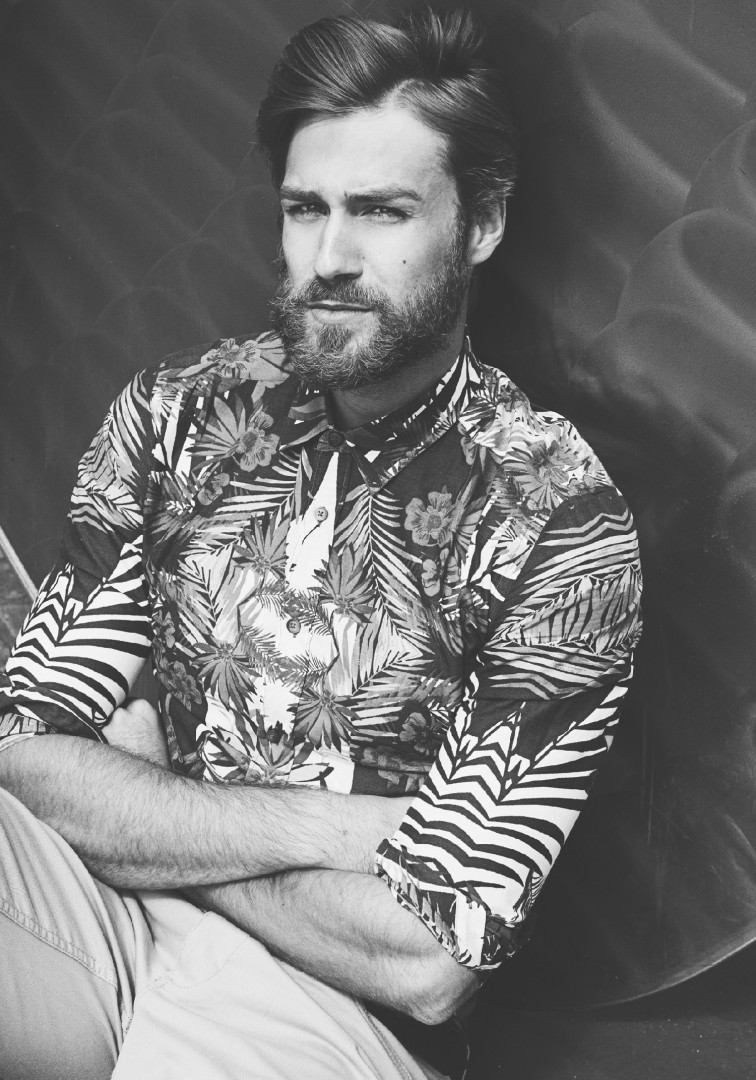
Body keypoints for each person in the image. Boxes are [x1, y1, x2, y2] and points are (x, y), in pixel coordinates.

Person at [0, 9, 642, 1079]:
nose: (331, 258)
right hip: (99, 911)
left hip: (332, 1006)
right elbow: (24, 748)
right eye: (306, 209)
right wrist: (338, 830)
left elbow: (428, 962)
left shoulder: (557, 524)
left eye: (382, 211)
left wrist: (151, 805)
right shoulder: (176, 413)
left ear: (481, 223)